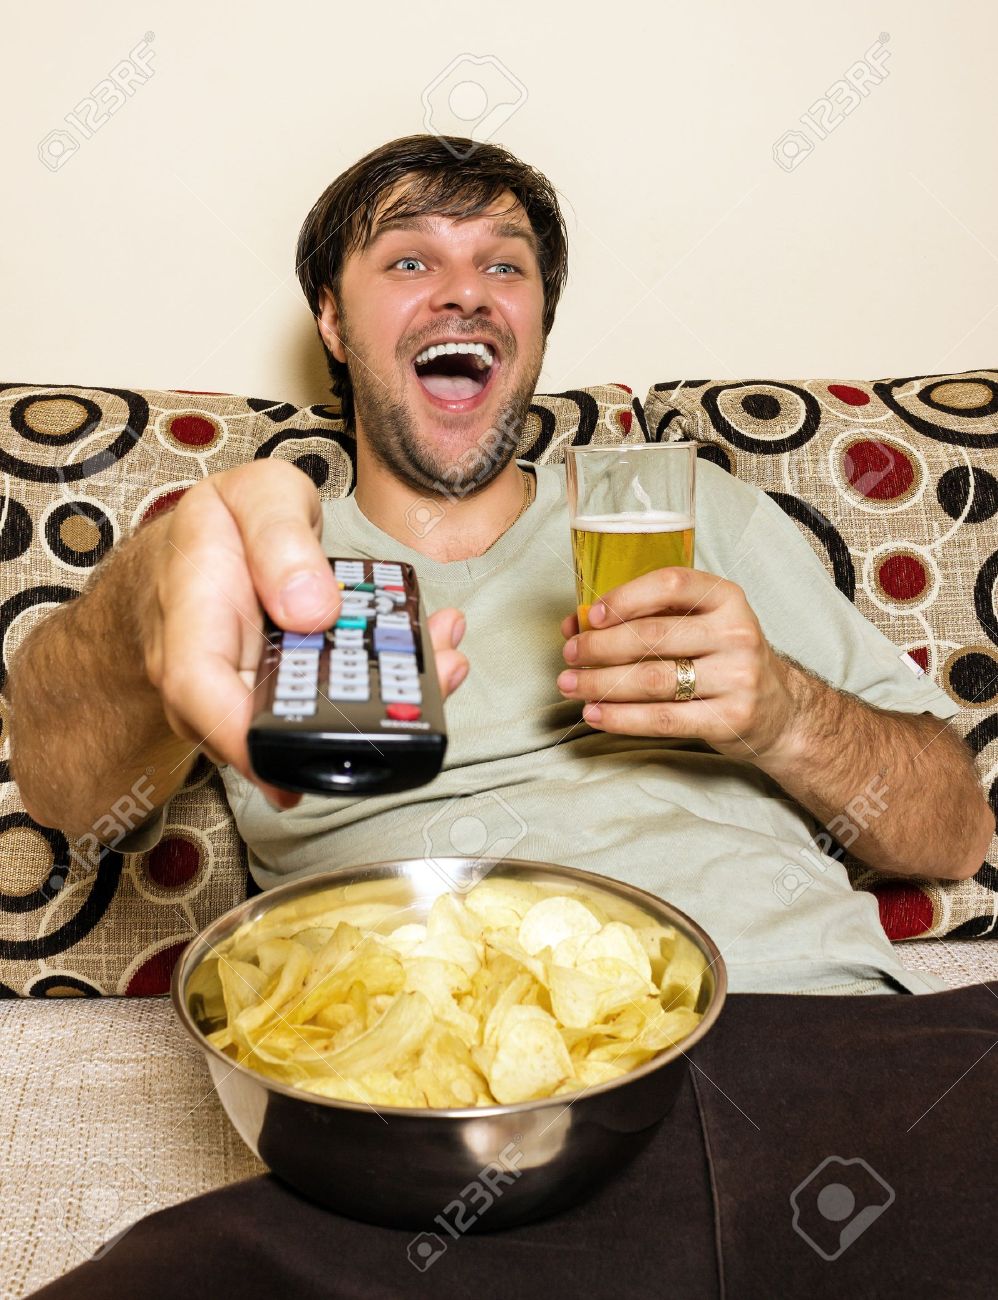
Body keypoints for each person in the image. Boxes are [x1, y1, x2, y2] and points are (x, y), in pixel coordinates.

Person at [6, 134, 993, 1001]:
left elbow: (951, 837)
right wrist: (148, 592)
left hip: (787, 1013)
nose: (464, 290)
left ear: (534, 331)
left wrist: (782, 712)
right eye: (408, 259)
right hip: (432, 1064)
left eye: (503, 267)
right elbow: (65, 793)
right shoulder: (249, 556)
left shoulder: (691, 510)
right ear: (334, 322)